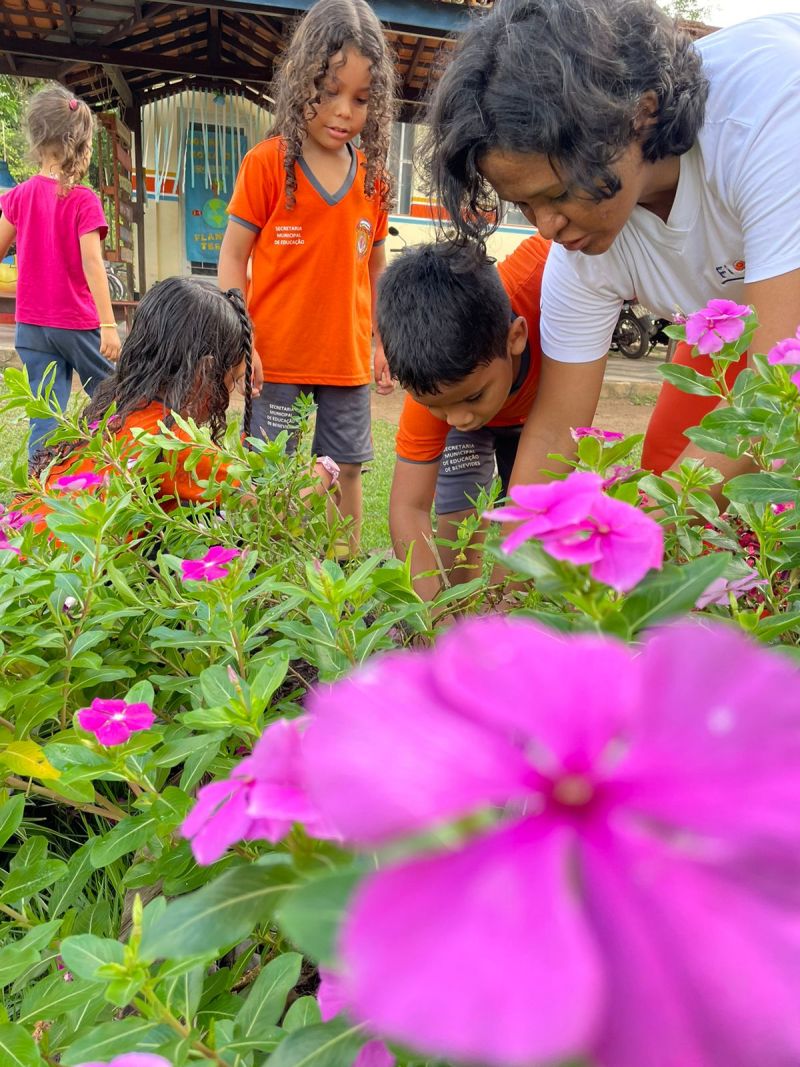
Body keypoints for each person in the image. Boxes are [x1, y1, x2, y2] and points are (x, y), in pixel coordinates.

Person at [425, 0, 800, 494]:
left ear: (640, 115)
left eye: (557, 194)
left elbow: (775, 384)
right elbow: (556, 431)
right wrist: (515, 561)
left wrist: (654, 527)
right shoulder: (580, 253)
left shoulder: (766, 120)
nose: (546, 228)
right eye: (524, 205)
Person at [218, 0, 396, 555]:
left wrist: (381, 338)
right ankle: (272, 573)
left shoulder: (374, 181)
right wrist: (241, 343)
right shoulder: (268, 163)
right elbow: (232, 259)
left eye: (361, 99)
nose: (344, 111)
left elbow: (374, 266)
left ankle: (341, 577)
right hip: (276, 358)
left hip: (345, 360)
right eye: (329, 92)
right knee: (271, 477)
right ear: (301, 84)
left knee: (348, 473)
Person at [383, 236, 549, 601]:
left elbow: (534, 511)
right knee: (457, 526)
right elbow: (408, 508)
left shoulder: (547, 281)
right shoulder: (436, 390)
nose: (458, 419)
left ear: (515, 337)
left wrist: (506, 606)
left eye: (473, 395)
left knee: (535, 527)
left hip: (539, 416)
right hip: (492, 400)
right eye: (438, 406)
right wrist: (436, 616)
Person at [0, 85, 120, 461]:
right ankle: (115, 462)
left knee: (45, 416)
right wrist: (109, 325)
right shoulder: (83, 199)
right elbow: (92, 263)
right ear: (81, 141)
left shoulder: (19, 196)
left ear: (36, 138)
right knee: (115, 394)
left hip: (32, 326)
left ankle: (40, 492)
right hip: (76, 323)